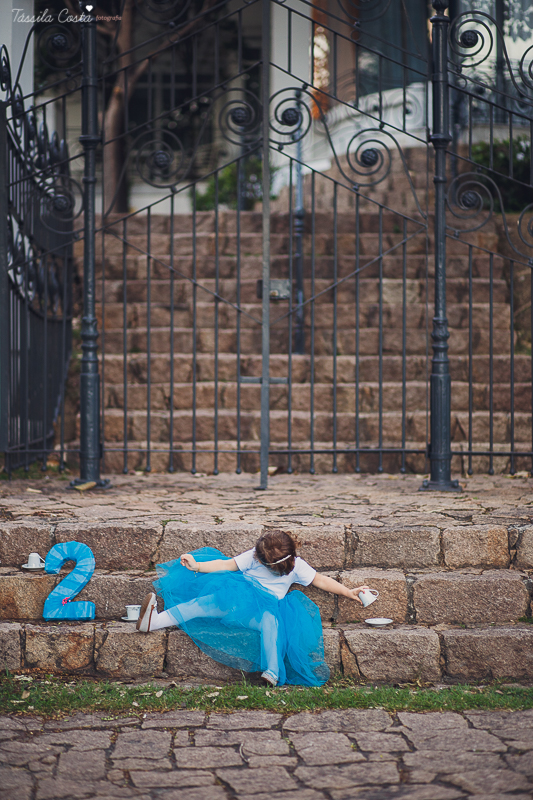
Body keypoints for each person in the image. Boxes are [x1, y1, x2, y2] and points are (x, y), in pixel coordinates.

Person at [136, 529, 371, 686]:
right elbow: (226, 564)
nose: (256, 559)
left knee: (272, 623)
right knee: (201, 603)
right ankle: (154, 621)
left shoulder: (297, 566)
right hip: (235, 603)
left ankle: (272, 671)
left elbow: (320, 580)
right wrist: (198, 566)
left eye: (259, 559)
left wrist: (347, 592)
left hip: (258, 613)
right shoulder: (254, 556)